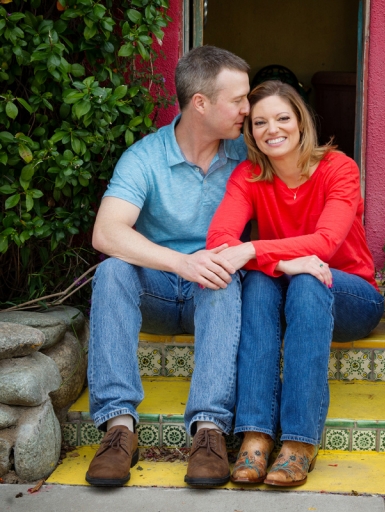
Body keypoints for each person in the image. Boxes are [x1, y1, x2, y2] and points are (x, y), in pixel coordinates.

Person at [86, 46, 251, 487]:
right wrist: (181, 262)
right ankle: (118, 428)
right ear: (201, 103)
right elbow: (106, 232)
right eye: (238, 100)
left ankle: (209, 432)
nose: (247, 110)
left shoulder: (248, 153)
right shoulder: (145, 157)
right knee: (112, 271)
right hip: (158, 290)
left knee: (221, 276)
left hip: (212, 296)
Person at [206, 80, 384, 487]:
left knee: (304, 280)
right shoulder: (249, 175)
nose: (272, 129)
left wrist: (254, 250)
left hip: (352, 296)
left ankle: (300, 441)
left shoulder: (339, 168)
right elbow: (219, 242)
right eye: (260, 122)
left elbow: (326, 243)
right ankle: (256, 435)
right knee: (260, 284)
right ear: (251, 132)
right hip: (290, 293)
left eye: (283, 118)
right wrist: (286, 261)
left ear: (301, 122)